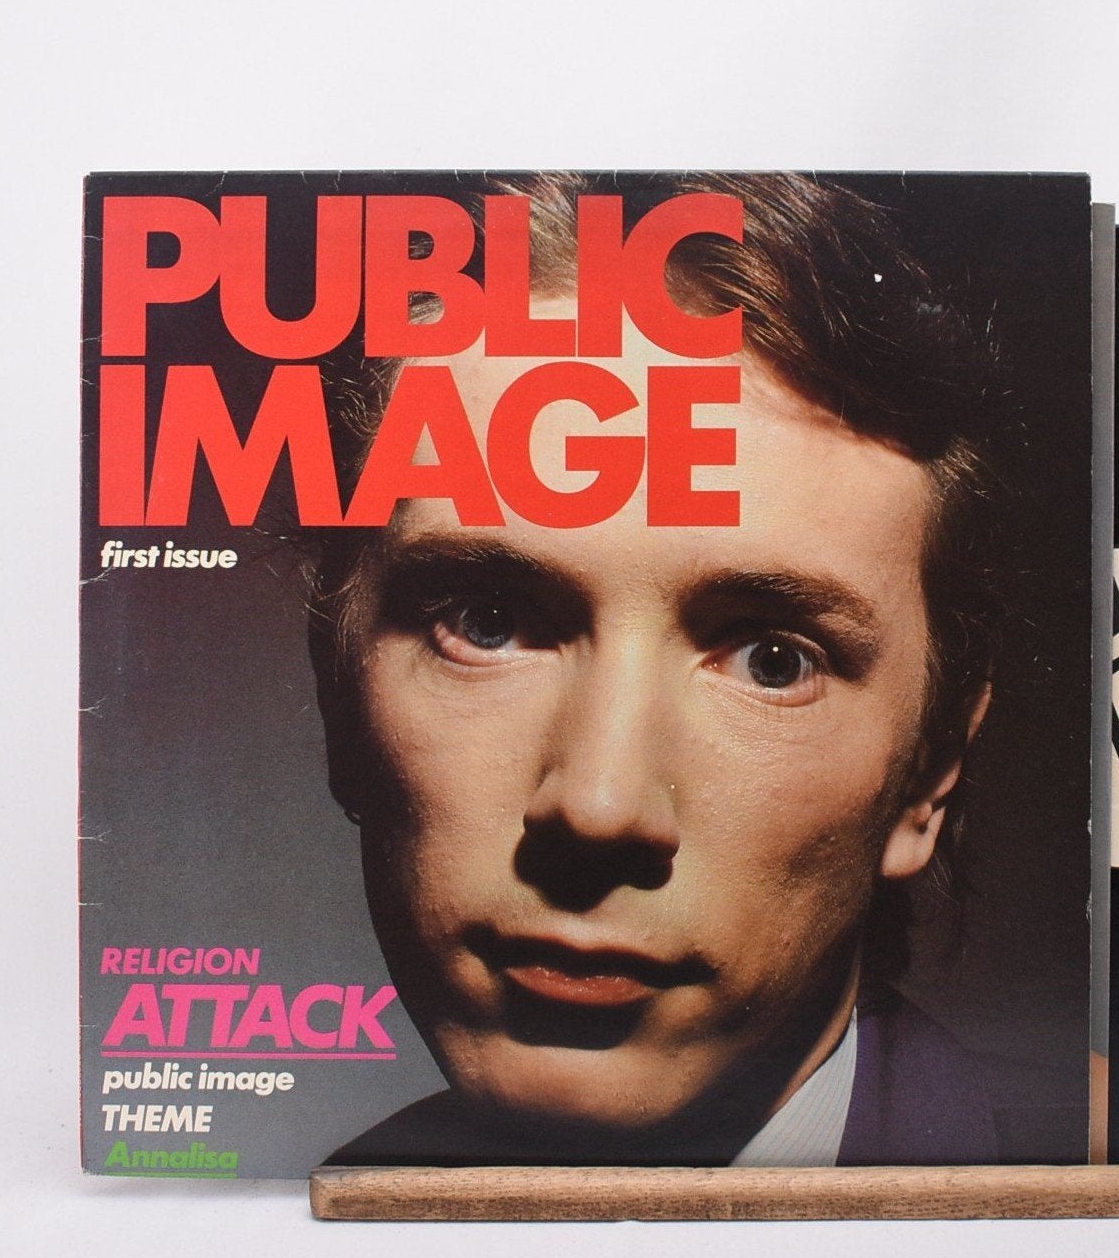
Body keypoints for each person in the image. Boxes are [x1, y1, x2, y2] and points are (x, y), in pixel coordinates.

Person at [314, 173, 1012, 1166]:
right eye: (489, 622)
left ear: (928, 774)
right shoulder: (282, 1231)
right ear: (336, 695)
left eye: (772, 661)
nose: (599, 807)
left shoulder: (1113, 1219)